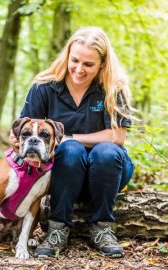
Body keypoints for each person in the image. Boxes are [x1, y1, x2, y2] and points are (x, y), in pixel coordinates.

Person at [10, 26, 135, 258]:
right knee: (69, 150)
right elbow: (20, 135)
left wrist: (68, 137)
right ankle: (58, 228)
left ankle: (102, 228)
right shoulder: (44, 87)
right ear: (67, 55)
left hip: (107, 171)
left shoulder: (112, 88)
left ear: (102, 64)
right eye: (74, 60)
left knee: (105, 150)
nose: (79, 69)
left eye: (88, 64)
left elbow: (117, 136)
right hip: (64, 171)